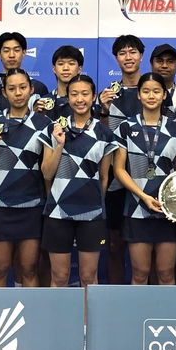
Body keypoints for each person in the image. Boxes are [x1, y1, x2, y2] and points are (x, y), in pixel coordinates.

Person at [115, 71, 176, 286]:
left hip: (167, 211)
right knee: (140, 273)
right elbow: (119, 170)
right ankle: (136, 319)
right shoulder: (126, 127)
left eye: (156, 91)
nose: (151, 96)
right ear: (138, 95)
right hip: (136, 209)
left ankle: (165, 319)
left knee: (165, 273)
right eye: (146, 91)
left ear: (164, 95)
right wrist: (142, 196)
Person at [40, 75, 121, 288]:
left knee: (88, 278)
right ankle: (58, 321)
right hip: (57, 211)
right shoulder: (55, 128)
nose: (79, 99)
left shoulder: (104, 133)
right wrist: (59, 145)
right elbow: (47, 174)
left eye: (85, 94)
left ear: (94, 97)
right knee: (59, 277)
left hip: (91, 212)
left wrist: (95, 202)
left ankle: (87, 322)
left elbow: (104, 177)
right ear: (67, 98)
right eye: (74, 94)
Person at [0, 67, 52, 287]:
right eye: (12, 88)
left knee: (29, 269)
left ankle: (31, 318)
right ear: (4, 92)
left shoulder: (44, 124)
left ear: (31, 90)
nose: (18, 93)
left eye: (22, 87)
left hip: (31, 205)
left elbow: (48, 170)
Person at [97, 34, 146, 283]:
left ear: (141, 55)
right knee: (114, 244)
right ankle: (116, 299)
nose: (128, 57)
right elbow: (100, 137)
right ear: (116, 58)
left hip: (147, 179)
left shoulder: (152, 89)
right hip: (116, 180)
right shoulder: (108, 94)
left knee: (149, 245)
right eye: (123, 53)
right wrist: (103, 110)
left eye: (133, 51)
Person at [0, 31, 48, 123]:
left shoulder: (39, 88)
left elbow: (44, 124)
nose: (11, 55)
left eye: (16, 50)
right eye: (6, 51)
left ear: (24, 52)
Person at [37, 44, 86, 122]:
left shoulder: (87, 100)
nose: (65, 68)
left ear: (79, 69)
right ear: (54, 69)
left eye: (71, 64)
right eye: (60, 64)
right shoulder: (44, 101)